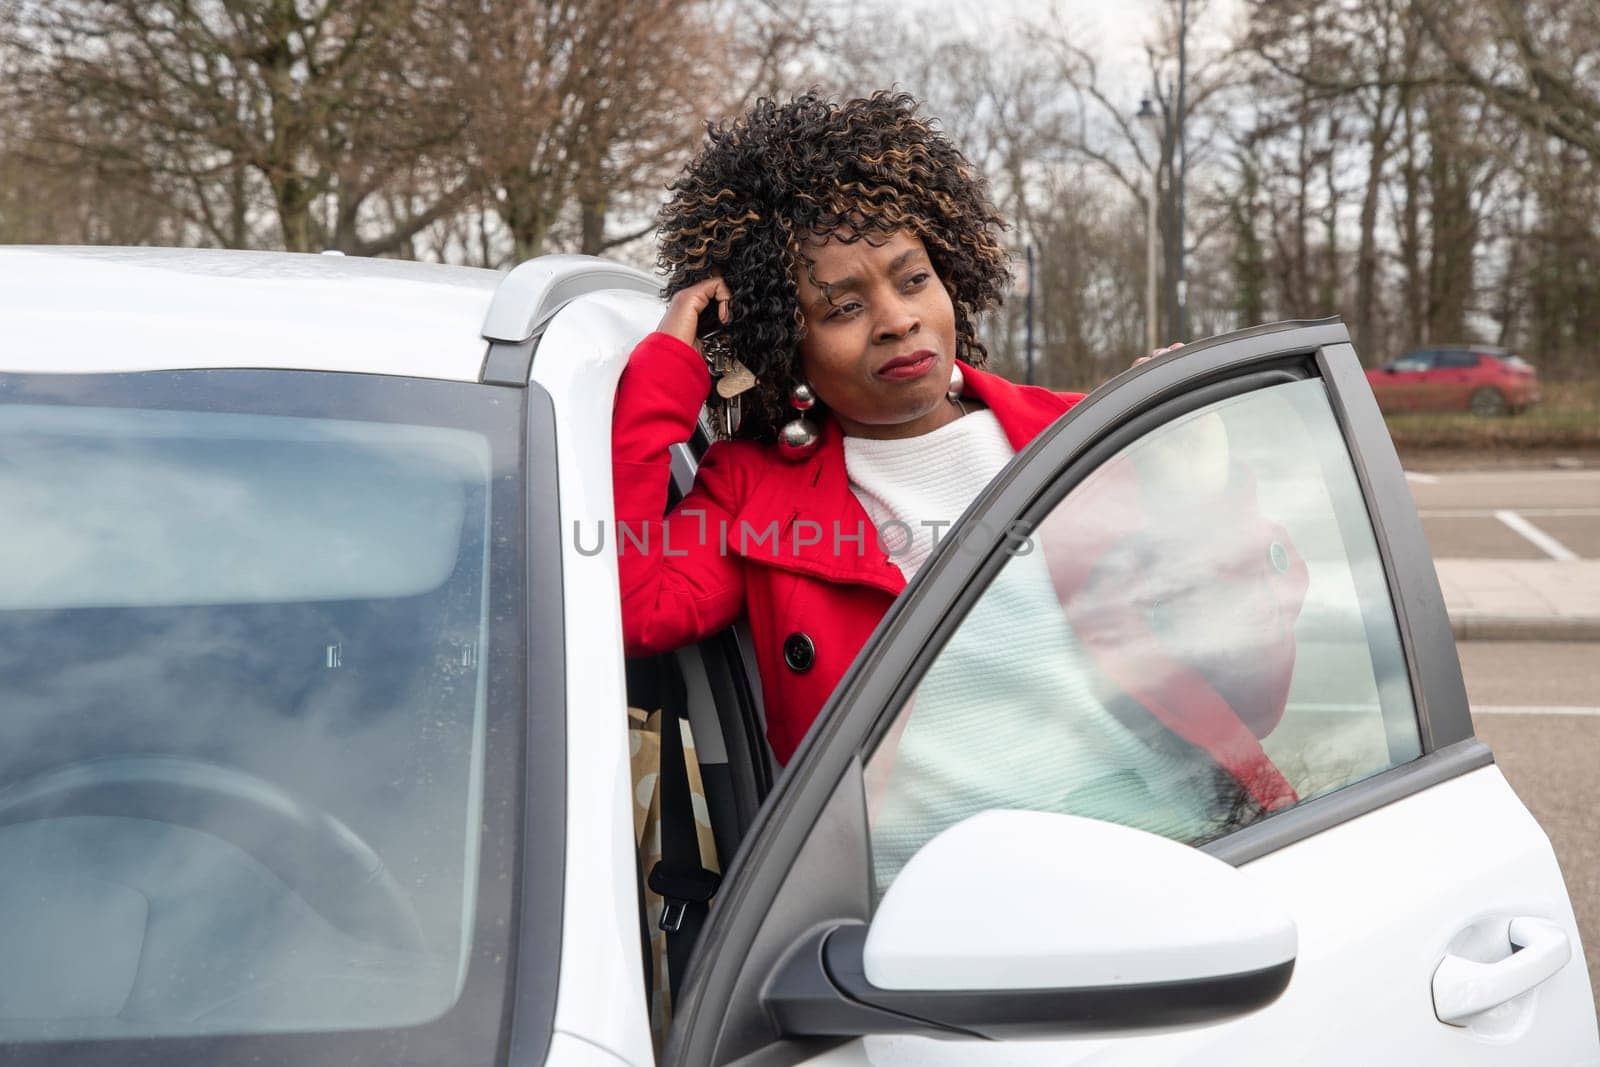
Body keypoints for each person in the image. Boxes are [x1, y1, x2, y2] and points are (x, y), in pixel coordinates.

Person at [611, 91, 1304, 847]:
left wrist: (1199, 486)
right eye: (843, 308)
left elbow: (1252, 685)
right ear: (784, 343)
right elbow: (634, 600)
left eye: (913, 280)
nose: (897, 318)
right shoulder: (754, 490)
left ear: (952, 277)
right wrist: (672, 366)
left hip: (1168, 843)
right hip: (917, 915)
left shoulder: (1081, 434)